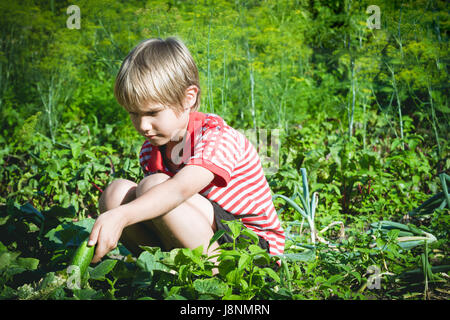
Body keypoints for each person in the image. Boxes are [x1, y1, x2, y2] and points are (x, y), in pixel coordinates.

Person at [88, 37, 285, 264]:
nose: (142, 126)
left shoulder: (216, 137)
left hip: (252, 249)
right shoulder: (152, 149)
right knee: (116, 193)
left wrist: (122, 216)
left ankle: (217, 277)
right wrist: (117, 211)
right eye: (134, 114)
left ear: (187, 98)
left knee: (152, 187)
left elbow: (178, 191)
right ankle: (169, 269)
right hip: (203, 234)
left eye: (152, 113)